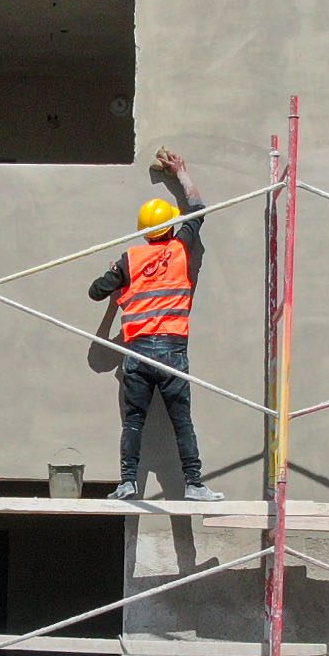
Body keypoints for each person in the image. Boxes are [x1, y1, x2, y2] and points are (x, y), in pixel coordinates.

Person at [88, 148, 224, 502]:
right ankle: (194, 484)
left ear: (145, 232)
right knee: (182, 422)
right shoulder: (180, 249)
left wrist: (118, 286)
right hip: (172, 351)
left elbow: (95, 291)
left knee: (134, 422)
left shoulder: (130, 259)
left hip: (137, 353)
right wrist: (182, 172)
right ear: (168, 228)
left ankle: (128, 482)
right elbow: (197, 211)